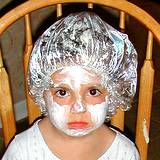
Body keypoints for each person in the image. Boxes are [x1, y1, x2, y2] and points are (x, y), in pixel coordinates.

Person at [2, 12, 139, 160]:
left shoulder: (124, 153)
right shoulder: (23, 152)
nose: (78, 108)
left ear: (114, 93)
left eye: (93, 91)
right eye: (62, 92)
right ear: (42, 92)